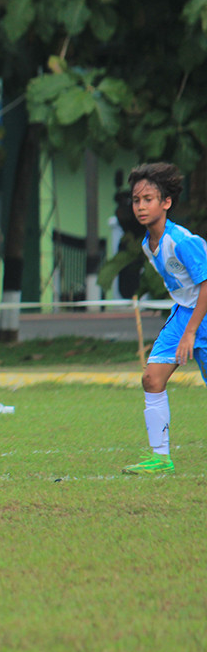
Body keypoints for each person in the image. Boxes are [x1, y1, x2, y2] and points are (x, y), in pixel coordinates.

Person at [122, 163, 207, 475]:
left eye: (149, 199)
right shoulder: (149, 244)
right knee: (151, 378)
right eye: (136, 200)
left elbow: (206, 285)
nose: (141, 206)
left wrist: (191, 332)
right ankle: (161, 458)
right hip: (185, 314)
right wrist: (185, 327)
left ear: (166, 203)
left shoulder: (181, 241)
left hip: (202, 315)